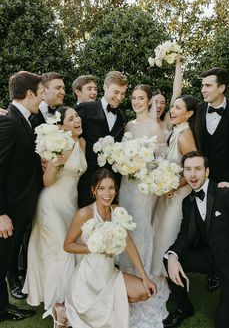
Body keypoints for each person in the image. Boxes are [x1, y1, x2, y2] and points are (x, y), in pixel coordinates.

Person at [60, 168, 156, 328]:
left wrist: (145, 277)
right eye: (101, 188)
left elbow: (129, 245)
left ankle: (106, 309)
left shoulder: (117, 211)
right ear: (93, 191)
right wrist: (92, 248)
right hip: (88, 281)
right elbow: (67, 245)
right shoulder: (84, 214)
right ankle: (66, 312)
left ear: (116, 189)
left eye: (111, 187)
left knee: (144, 291)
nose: (107, 193)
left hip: (110, 275)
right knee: (92, 315)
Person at [23, 107, 87, 314]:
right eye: (71, 118)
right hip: (50, 205)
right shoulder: (60, 146)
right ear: (61, 126)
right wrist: (53, 164)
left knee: (69, 249)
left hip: (70, 206)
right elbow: (47, 182)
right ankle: (56, 304)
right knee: (60, 252)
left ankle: (71, 300)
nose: (77, 120)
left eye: (77, 116)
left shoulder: (82, 143)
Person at [163, 151, 229, 328]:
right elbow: (185, 237)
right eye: (188, 169)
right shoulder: (188, 201)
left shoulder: (224, 194)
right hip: (209, 259)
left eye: (197, 169)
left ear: (207, 171)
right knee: (168, 258)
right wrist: (172, 255)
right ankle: (184, 307)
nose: (193, 174)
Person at [119, 85, 169, 328]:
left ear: (150, 101)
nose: (137, 102)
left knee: (141, 233)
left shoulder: (155, 127)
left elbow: (161, 163)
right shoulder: (128, 126)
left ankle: (143, 278)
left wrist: (143, 166)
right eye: (134, 98)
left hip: (143, 191)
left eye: (141, 98)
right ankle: (126, 282)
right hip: (126, 186)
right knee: (124, 231)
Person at [0, 71, 44, 322]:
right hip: (10, 210)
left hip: (21, 206)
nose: (42, 99)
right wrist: (1, 213)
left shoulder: (23, 119)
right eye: (40, 93)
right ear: (30, 94)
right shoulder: (9, 122)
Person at [197, 67, 229, 291]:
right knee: (205, 225)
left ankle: (224, 272)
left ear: (221, 88)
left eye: (208, 85)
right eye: (202, 85)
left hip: (228, 183)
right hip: (202, 181)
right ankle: (212, 270)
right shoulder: (199, 110)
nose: (203, 90)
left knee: (226, 229)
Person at [152, 95, 198, 277]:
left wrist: (174, 187)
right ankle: (158, 271)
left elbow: (194, 172)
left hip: (178, 195)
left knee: (168, 233)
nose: (172, 111)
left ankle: (168, 275)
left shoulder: (185, 136)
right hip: (168, 193)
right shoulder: (175, 130)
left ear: (189, 114)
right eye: (172, 107)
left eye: (178, 108)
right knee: (160, 229)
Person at [76, 71, 128, 208]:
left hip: (111, 184)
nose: (119, 97)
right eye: (116, 92)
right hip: (87, 179)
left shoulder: (123, 118)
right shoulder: (85, 109)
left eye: (123, 94)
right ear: (105, 87)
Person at [152, 56, 183, 138]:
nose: (159, 105)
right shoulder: (140, 123)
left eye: (162, 103)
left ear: (165, 106)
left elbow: (177, 92)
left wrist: (178, 64)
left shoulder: (166, 122)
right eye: (156, 102)